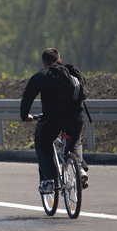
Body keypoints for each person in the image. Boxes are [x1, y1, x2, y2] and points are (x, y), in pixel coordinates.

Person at [20, 48, 88, 194]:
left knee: (42, 143)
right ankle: (80, 168)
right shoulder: (72, 73)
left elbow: (28, 97)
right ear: (60, 60)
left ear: (44, 63)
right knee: (74, 141)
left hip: (53, 119)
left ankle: (49, 180)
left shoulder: (41, 75)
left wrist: (25, 115)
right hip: (76, 117)